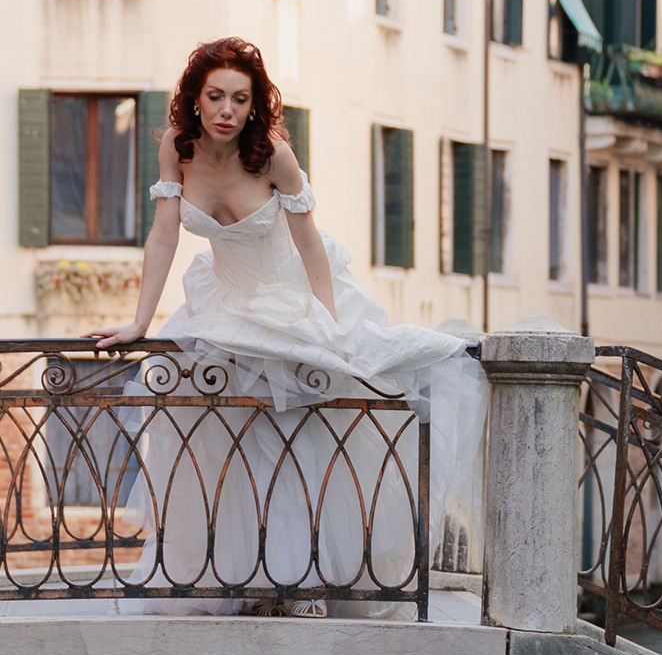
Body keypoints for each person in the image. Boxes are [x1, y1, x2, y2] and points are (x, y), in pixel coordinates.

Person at [87, 38, 486, 613]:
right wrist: (138, 321)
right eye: (216, 96)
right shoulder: (178, 149)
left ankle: (304, 582)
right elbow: (165, 235)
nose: (227, 109)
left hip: (292, 296)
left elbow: (309, 245)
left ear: (254, 105)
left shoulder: (273, 155)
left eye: (241, 99)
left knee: (305, 442)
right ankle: (242, 574)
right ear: (195, 101)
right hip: (223, 303)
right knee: (226, 442)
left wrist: (327, 324)